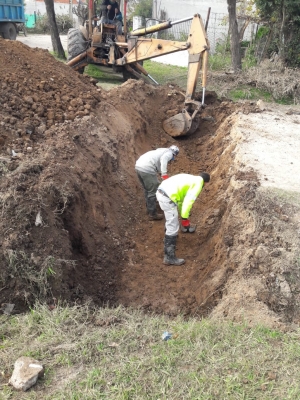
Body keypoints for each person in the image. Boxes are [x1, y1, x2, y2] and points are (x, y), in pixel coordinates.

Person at [156, 172, 210, 265]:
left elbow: (182, 201)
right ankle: (169, 257)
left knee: (171, 217)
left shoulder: (192, 179)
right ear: (205, 182)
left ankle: (170, 236)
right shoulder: (198, 184)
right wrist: (184, 218)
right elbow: (188, 202)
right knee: (173, 225)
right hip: (167, 197)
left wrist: (184, 217)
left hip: (162, 192)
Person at [135, 145, 180, 221]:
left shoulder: (161, 151)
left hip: (138, 167)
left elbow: (158, 163)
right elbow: (164, 160)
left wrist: (160, 173)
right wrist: (164, 175)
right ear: (174, 154)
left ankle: (149, 209)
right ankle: (152, 214)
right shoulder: (169, 153)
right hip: (147, 169)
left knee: (147, 189)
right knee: (153, 191)